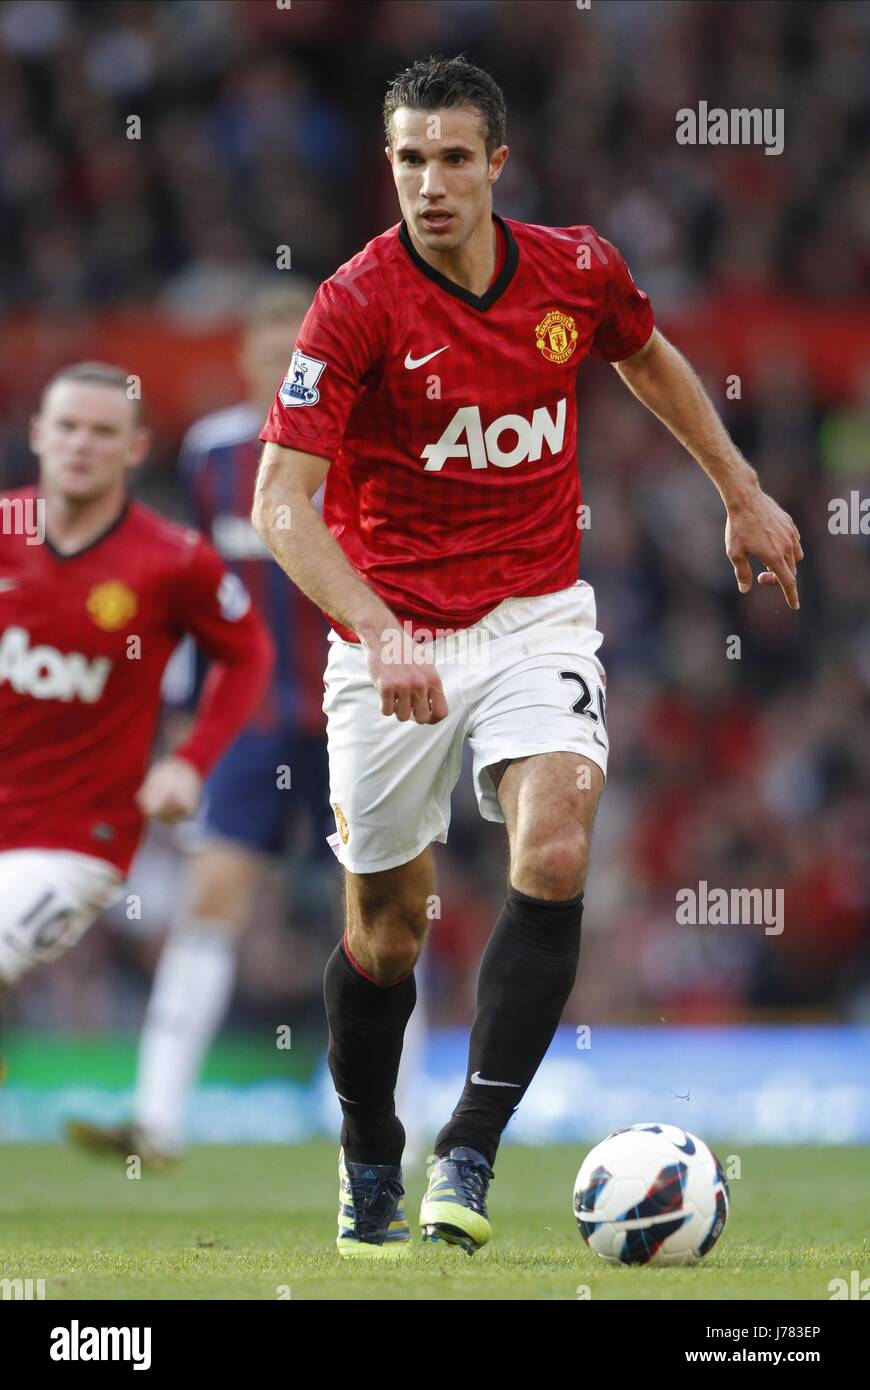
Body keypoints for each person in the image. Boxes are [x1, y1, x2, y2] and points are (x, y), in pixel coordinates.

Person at [251, 56, 802, 1259]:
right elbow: (280, 502)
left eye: (455, 158)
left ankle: (471, 1148)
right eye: (409, 159)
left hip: (537, 611)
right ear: (387, 165)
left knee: (552, 844)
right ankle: (365, 1152)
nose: (431, 182)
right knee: (387, 931)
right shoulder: (352, 303)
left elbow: (644, 354)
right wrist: (378, 624)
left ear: (498, 164)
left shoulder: (577, 269)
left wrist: (741, 489)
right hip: (389, 631)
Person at [66, 292, 427, 1166]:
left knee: (389, 907)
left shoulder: (363, 439)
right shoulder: (214, 453)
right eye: (266, 353)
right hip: (253, 720)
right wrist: (183, 718)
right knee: (211, 897)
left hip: (354, 707)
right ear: (244, 360)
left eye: (294, 353)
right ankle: (156, 1120)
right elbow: (196, 595)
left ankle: (401, 1118)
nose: (280, 369)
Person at [0, 363, 273, 1041]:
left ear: (135, 448)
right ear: (39, 434)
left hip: (74, 843)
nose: (81, 444)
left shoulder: (173, 560)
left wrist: (191, 759)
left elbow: (249, 654)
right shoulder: (5, 528)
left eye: (102, 431)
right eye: (67, 427)